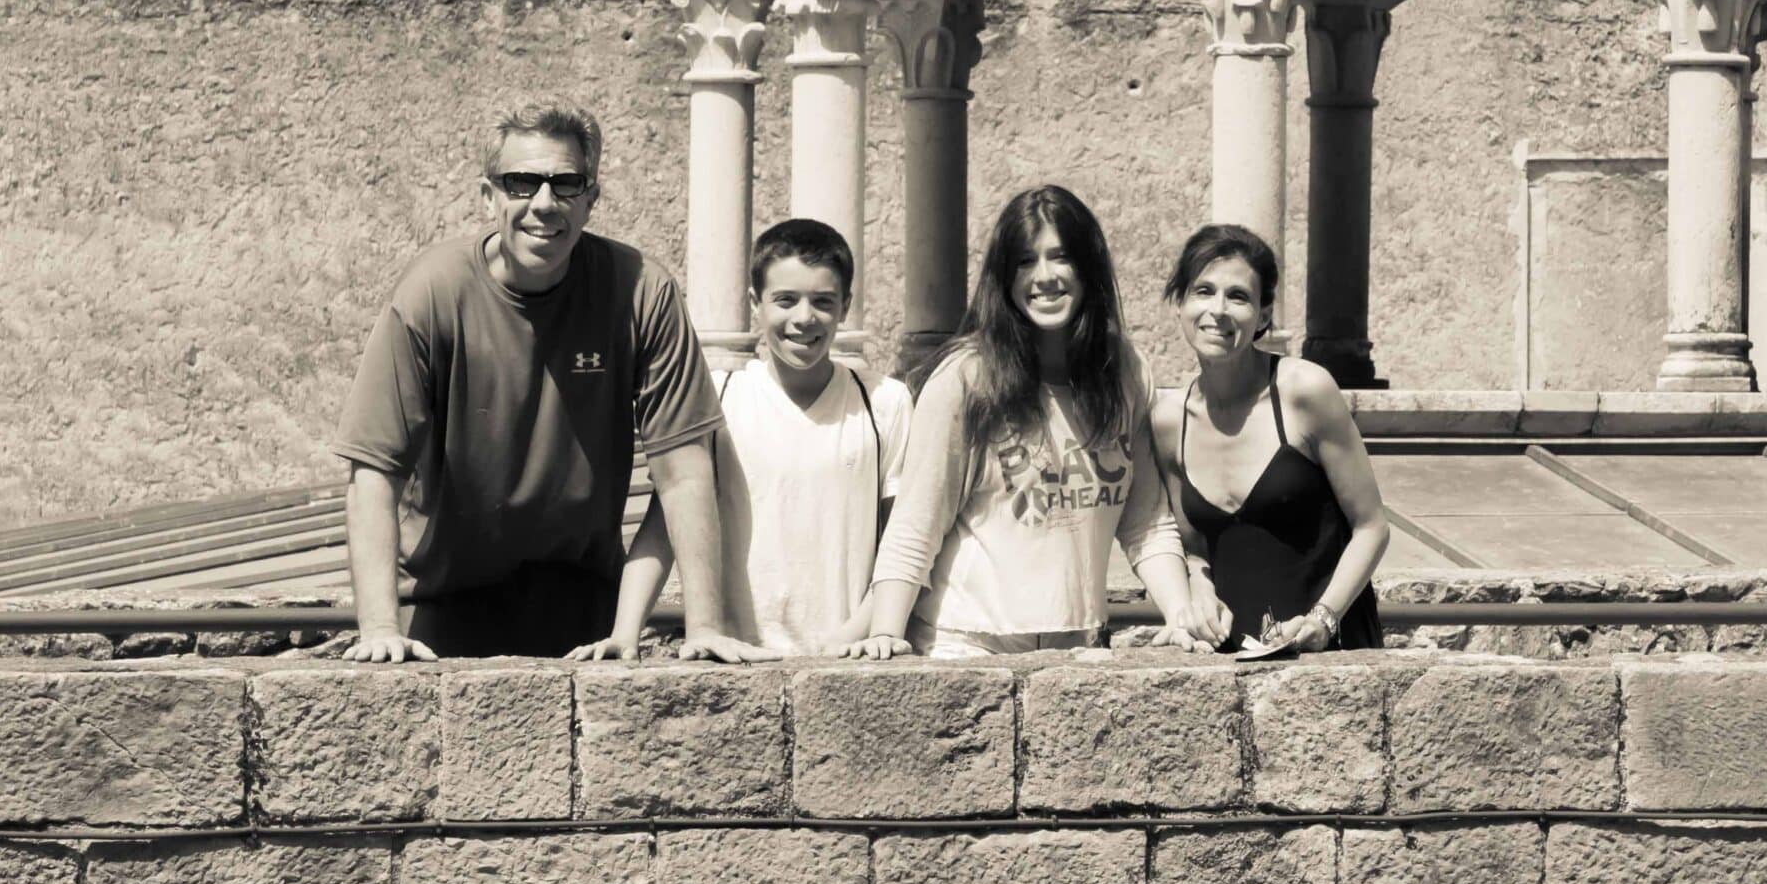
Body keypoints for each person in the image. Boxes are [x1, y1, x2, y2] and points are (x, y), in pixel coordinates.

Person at [329, 102, 770, 663]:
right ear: (488, 196)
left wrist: (704, 626)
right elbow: (373, 470)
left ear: (591, 198)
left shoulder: (641, 293)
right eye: (521, 182)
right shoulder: (433, 292)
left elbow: (684, 473)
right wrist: (378, 629)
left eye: (565, 184)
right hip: (444, 610)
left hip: (585, 617)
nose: (543, 203)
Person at [846, 185, 1230, 659]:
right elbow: (916, 524)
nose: (1044, 277)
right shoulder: (966, 378)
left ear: (1088, 268)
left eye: (1061, 257)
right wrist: (886, 633)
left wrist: (1180, 615)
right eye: (1026, 261)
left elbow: (1146, 521)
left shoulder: (1124, 372)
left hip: (1079, 641)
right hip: (966, 642)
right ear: (1004, 278)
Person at [608, 218, 911, 653]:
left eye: (823, 302)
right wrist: (625, 633)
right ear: (756, 303)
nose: (804, 318)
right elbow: (665, 524)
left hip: (848, 655)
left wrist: (853, 637)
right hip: (738, 658)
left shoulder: (886, 402)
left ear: (846, 306)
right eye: (785, 300)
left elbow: (903, 544)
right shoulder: (718, 396)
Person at [1152, 224, 1389, 652]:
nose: (1218, 310)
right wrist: (1198, 587)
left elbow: (1371, 527)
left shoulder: (1305, 391)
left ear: (1263, 315)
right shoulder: (1168, 420)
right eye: (1203, 291)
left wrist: (1323, 619)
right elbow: (1194, 546)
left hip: (1332, 653)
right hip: (1228, 662)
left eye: (1238, 296)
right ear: (1180, 304)